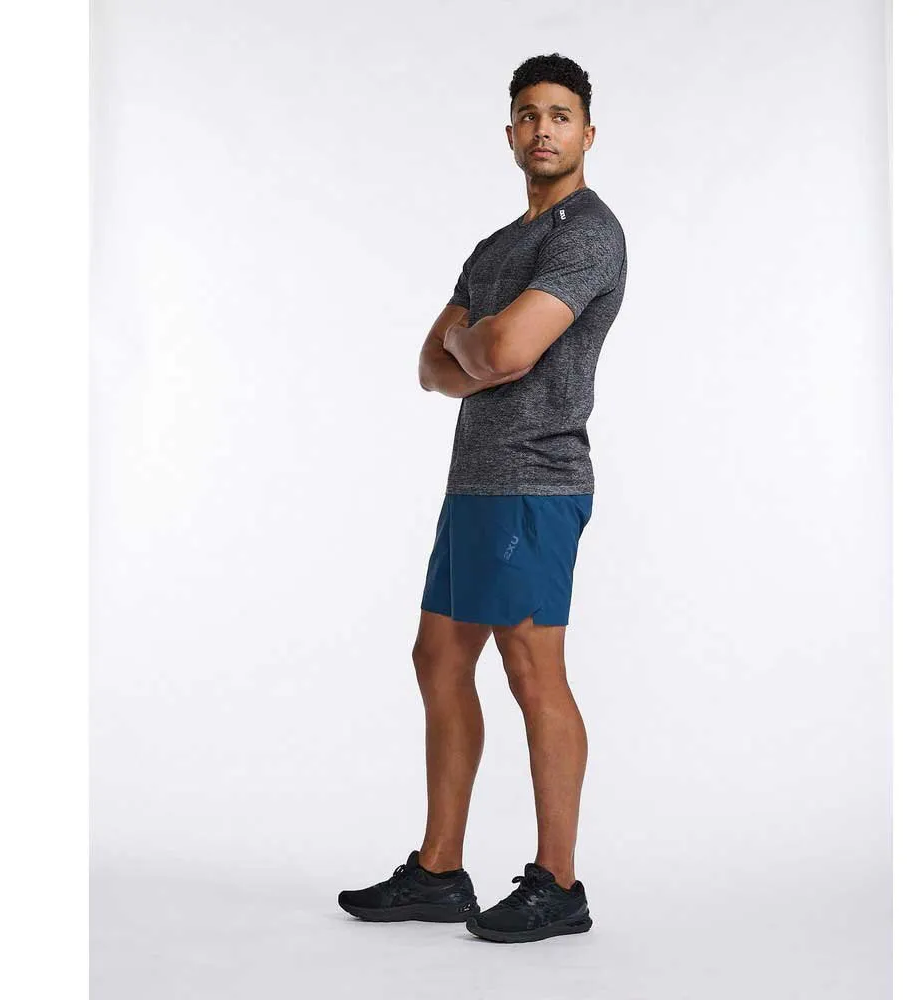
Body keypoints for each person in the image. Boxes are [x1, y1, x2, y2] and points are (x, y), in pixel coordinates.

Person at [338, 52, 627, 944]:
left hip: (534, 482)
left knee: (533, 673)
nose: (544, 129)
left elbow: (500, 352)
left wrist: (481, 342)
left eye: (561, 115)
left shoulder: (589, 234)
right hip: (472, 484)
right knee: (437, 658)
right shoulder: (496, 247)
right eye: (529, 115)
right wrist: (482, 344)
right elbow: (433, 367)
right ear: (509, 133)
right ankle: (439, 872)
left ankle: (559, 885)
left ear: (588, 133)